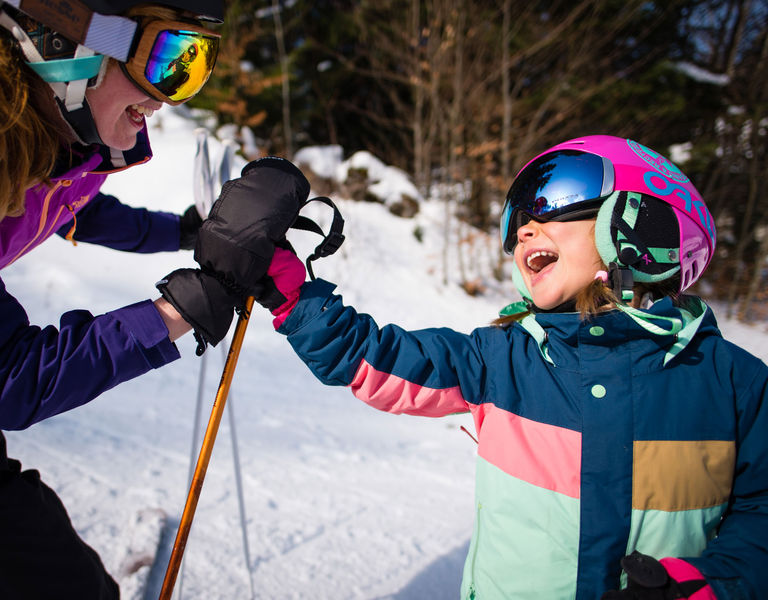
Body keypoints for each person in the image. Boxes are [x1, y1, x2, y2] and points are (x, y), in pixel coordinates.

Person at [185, 135, 768, 599]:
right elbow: (371, 358)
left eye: (554, 201)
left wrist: (709, 586)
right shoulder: (505, 358)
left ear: (640, 223)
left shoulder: (735, 384)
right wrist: (287, 285)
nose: (524, 229)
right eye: (517, 220)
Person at [0, 1, 249, 597]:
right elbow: (12, 379)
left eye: (192, 63)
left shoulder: (43, 148)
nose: (166, 96)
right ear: (62, 46)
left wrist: (185, 233)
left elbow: (72, 209)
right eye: (166, 57)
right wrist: (180, 309)